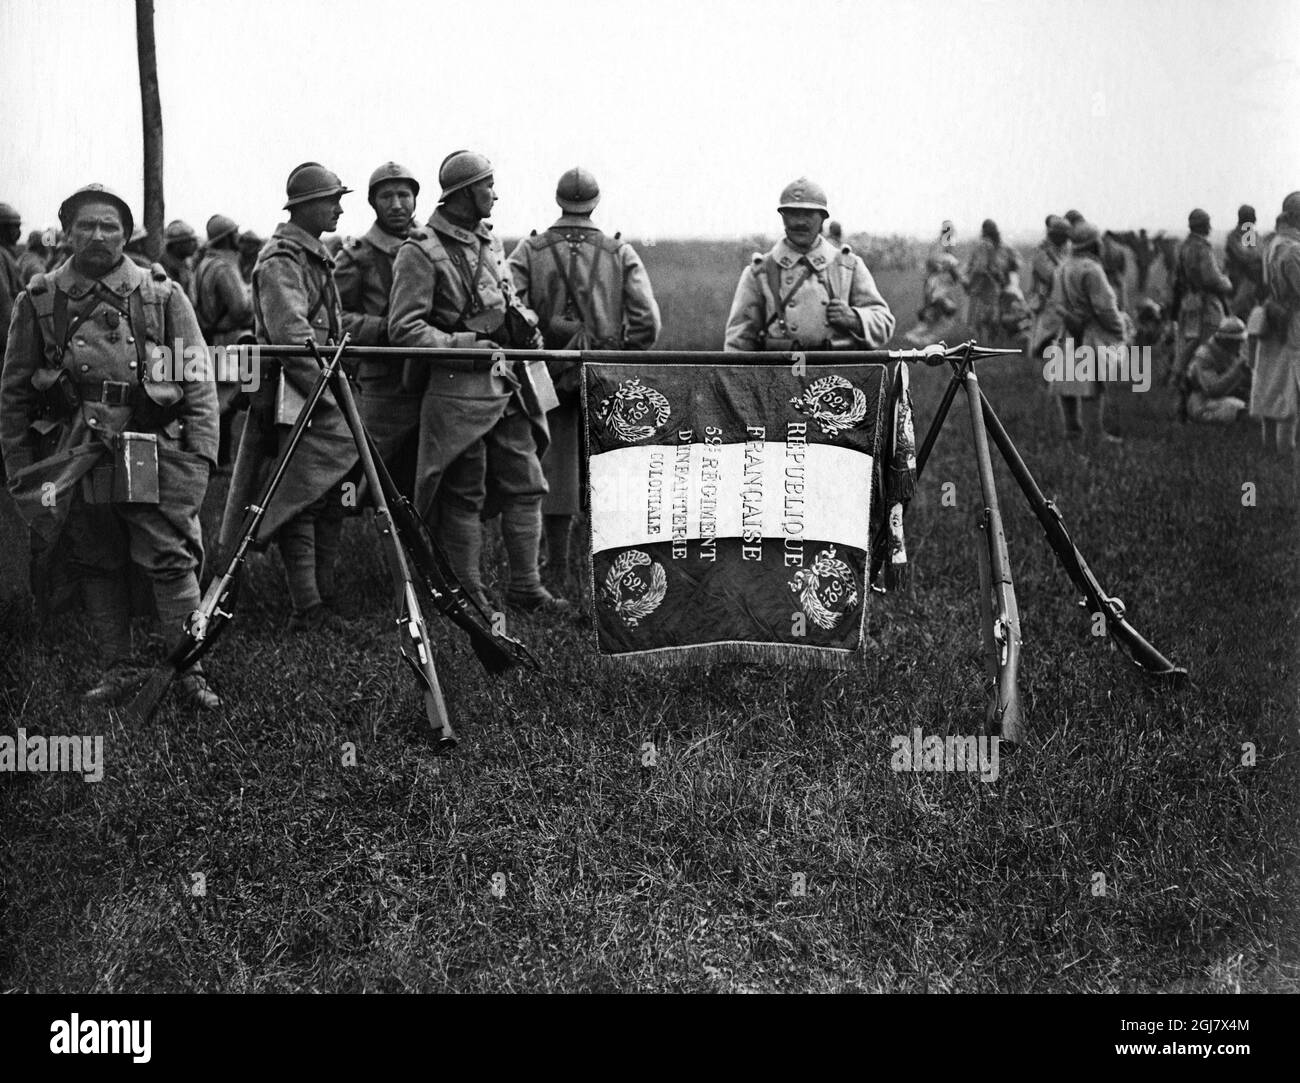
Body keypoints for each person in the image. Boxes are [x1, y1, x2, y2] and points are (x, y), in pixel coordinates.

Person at [0, 183, 220, 706]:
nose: (98, 235)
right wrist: (20, 465)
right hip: (75, 452)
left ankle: (187, 673)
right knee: (93, 556)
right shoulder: (41, 298)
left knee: (170, 557)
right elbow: (13, 394)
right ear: (68, 231)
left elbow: (197, 379)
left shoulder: (159, 293)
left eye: (110, 226)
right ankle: (117, 667)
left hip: (149, 446)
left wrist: (199, 457)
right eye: (86, 225)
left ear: (126, 233)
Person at [387, 149, 564, 612]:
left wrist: (525, 323)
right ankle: (468, 595)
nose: (494, 193)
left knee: (527, 483)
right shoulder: (420, 251)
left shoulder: (489, 241)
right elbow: (403, 328)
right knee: (464, 490)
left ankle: (527, 586)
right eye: (487, 185)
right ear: (464, 194)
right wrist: (462, 345)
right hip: (457, 392)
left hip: (508, 385)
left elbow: (504, 298)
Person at [220, 162, 358, 631]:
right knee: (298, 493)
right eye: (331, 199)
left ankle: (325, 595)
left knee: (324, 493)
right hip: (296, 391)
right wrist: (325, 395)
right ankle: (307, 605)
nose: (339, 207)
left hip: (318, 384)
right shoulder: (282, 258)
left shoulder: (311, 253)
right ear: (306, 207)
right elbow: (290, 333)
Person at [508, 166, 661, 589]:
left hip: (544, 373)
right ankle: (611, 570)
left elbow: (508, 310)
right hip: (605, 372)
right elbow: (648, 321)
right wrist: (621, 355)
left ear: (559, 200)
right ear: (595, 202)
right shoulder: (618, 251)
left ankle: (556, 568)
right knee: (610, 471)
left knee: (553, 469)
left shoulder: (529, 249)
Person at [724, 177, 894, 351]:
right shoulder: (760, 272)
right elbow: (738, 342)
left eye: (808, 214)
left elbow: (884, 324)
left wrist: (855, 319)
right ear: (782, 217)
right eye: (792, 214)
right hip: (778, 374)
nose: (800, 222)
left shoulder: (847, 267)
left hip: (837, 375)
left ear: (822, 219)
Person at [334, 162, 423, 486]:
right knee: (365, 470)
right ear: (373, 202)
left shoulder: (432, 246)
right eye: (386, 196)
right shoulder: (358, 255)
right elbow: (335, 319)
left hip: (431, 376)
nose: (397, 204)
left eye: (404, 195)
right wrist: (387, 328)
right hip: (384, 382)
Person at [1044, 221, 1126, 443]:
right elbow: (1104, 306)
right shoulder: (1092, 269)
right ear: (1094, 244)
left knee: (1065, 380)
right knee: (1093, 383)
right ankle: (1095, 433)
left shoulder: (1062, 267)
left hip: (1066, 330)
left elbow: (1056, 301)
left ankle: (1072, 428)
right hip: (1090, 331)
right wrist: (1119, 329)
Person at [192, 213, 254, 469]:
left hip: (212, 338)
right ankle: (220, 459)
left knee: (220, 400)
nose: (239, 237)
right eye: (235, 233)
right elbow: (240, 309)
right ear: (228, 237)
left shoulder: (205, 263)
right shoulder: (223, 266)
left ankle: (218, 457)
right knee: (226, 404)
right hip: (229, 339)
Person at [1249, 192, 1300, 457]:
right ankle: (1286, 449)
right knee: (1292, 389)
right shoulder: (1293, 249)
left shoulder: (1272, 243)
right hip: (1293, 322)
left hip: (1272, 317)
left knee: (1269, 384)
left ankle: (1269, 447)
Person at [1171, 208, 1234, 389]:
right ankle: (1201, 384)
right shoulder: (1203, 248)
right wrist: (1227, 283)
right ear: (1204, 225)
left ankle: (1180, 377)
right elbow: (1210, 278)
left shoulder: (1184, 247)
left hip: (1188, 301)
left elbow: (1178, 278)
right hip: (1206, 304)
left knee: (1188, 343)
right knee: (1210, 344)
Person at [960, 218, 1021, 347]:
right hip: (987, 285)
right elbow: (976, 266)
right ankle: (986, 343)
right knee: (987, 317)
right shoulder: (984, 246)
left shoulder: (1003, 247)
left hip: (996, 285)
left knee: (990, 317)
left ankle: (989, 342)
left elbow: (1015, 264)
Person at [1185, 316, 1250, 423]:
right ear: (1225, 340)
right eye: (1235, 341)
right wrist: (1238, 369)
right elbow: (1213, 390)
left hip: (1232, 396)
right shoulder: (1205, 355)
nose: (1239, 345)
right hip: (1202, 402)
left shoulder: (1236, 353)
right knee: (1233, 408)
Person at [1027, 215, 1070, 358]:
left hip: (1059, 302)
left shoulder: (1063, 249)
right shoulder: (1042, 251)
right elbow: (1050, 276)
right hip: (1045, 300)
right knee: (1042, 338)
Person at [903, 252, 962, 347]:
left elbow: (955, 278)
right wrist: (927, 307)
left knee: (933, 325)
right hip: (939, 304)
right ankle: (919, 338)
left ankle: (916, 336)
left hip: (939, 304)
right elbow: (930, 295)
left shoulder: (938, 277)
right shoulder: (936, 278)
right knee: (935, 327)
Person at [1225, 203, 1263, 319]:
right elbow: (1245, 256)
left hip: (1253, 284)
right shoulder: (1234, 236)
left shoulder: (1251, 235)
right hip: (1239, 283)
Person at [161, 220, 199, 294]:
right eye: (189, 241)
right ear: (177, 245)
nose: (195, 244)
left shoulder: (185, 265)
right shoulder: (163, 270)